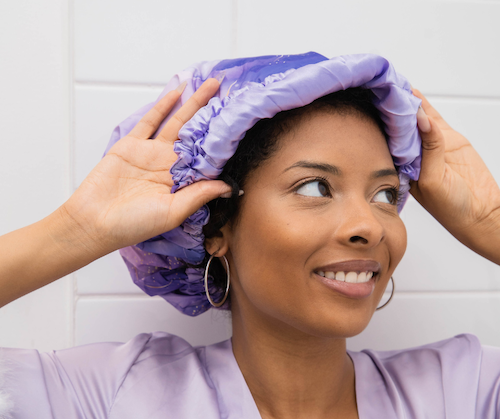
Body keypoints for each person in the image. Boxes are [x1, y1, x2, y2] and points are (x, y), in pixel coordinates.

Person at [0, 53, 499, 418]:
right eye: (315, 186)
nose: (369, 226)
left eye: (386, 194)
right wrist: (77, 231)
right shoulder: (110, 397)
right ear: (215, 226)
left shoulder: (463, 391)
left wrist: (491, 222)